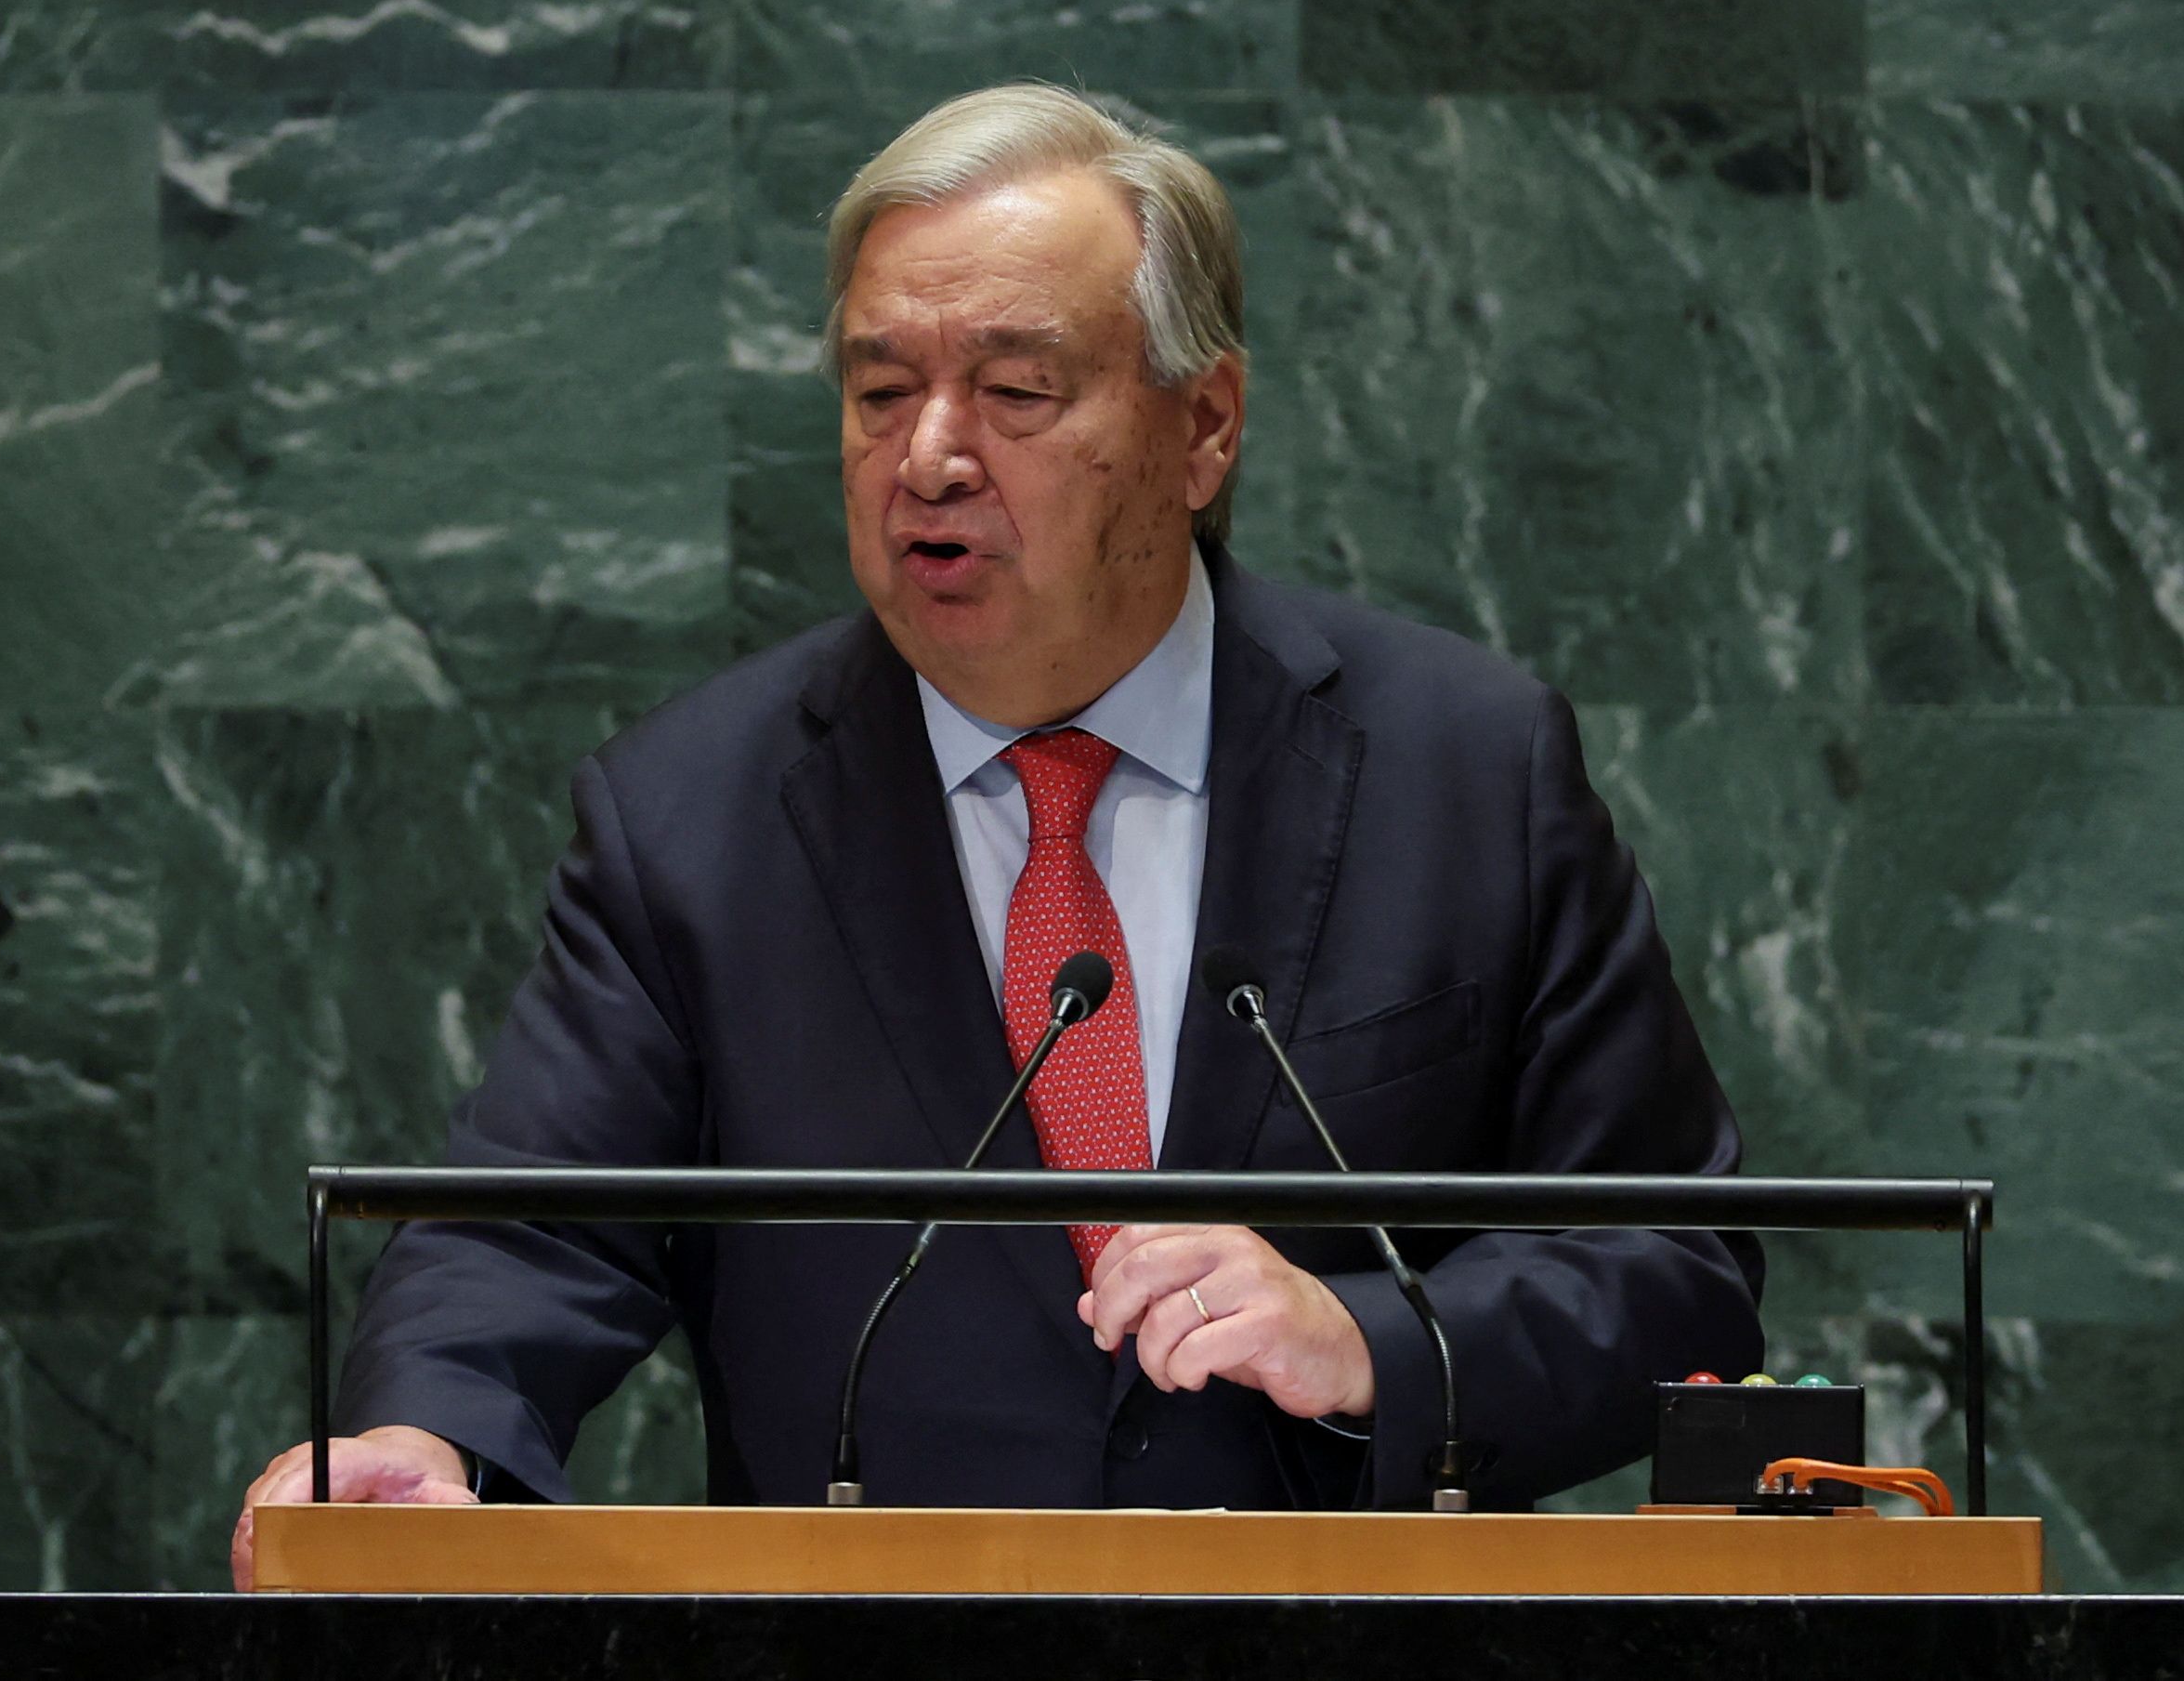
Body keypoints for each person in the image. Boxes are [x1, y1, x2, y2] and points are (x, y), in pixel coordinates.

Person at [231, 85, 1757, 1545]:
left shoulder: (1462, 771)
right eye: (880, 390)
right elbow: (525, 1227)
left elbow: (1675, 1269)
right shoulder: (696, 820)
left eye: (1017, 391)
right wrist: (423, 1439)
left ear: (1204, 425)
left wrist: (1366, 1341)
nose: (931, 456)